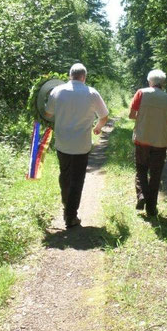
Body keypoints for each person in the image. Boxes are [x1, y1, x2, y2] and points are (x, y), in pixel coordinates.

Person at [44, 63, 109, 228]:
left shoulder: (57, 91)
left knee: (64, 175)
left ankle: (67, 207)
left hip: (62, 143)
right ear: (84, 77)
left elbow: (48, 114)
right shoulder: (92, 93)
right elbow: (104, 116)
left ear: (69, 75)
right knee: (77, 179)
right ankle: (71, 215)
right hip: (81, 145)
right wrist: (97, 128)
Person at [129, 69, 167, 217]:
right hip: (160, 142)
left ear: (150, 81)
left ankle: (142, 195)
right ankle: (151, 209)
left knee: (141, 170)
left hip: (142, 139)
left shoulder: (141, 93)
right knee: (156, 175)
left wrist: (144, 117)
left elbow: (131, 115)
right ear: (163, 83)